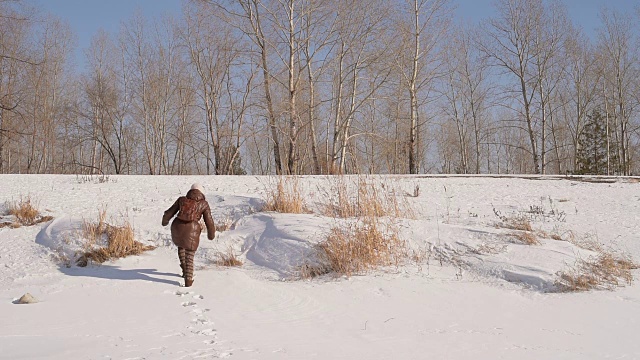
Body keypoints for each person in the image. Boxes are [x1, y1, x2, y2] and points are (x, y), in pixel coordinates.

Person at [162, 183, 215, 287]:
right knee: (190, 255)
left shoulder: (182, 200)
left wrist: (165, 221)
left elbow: (169, 212)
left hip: (177, 226)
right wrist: (211, 234)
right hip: (192, 229)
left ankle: (184, 270)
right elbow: (209, 221)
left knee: (181, 246)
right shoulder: (204, 204)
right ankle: (188, 281)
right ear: (201, 192)